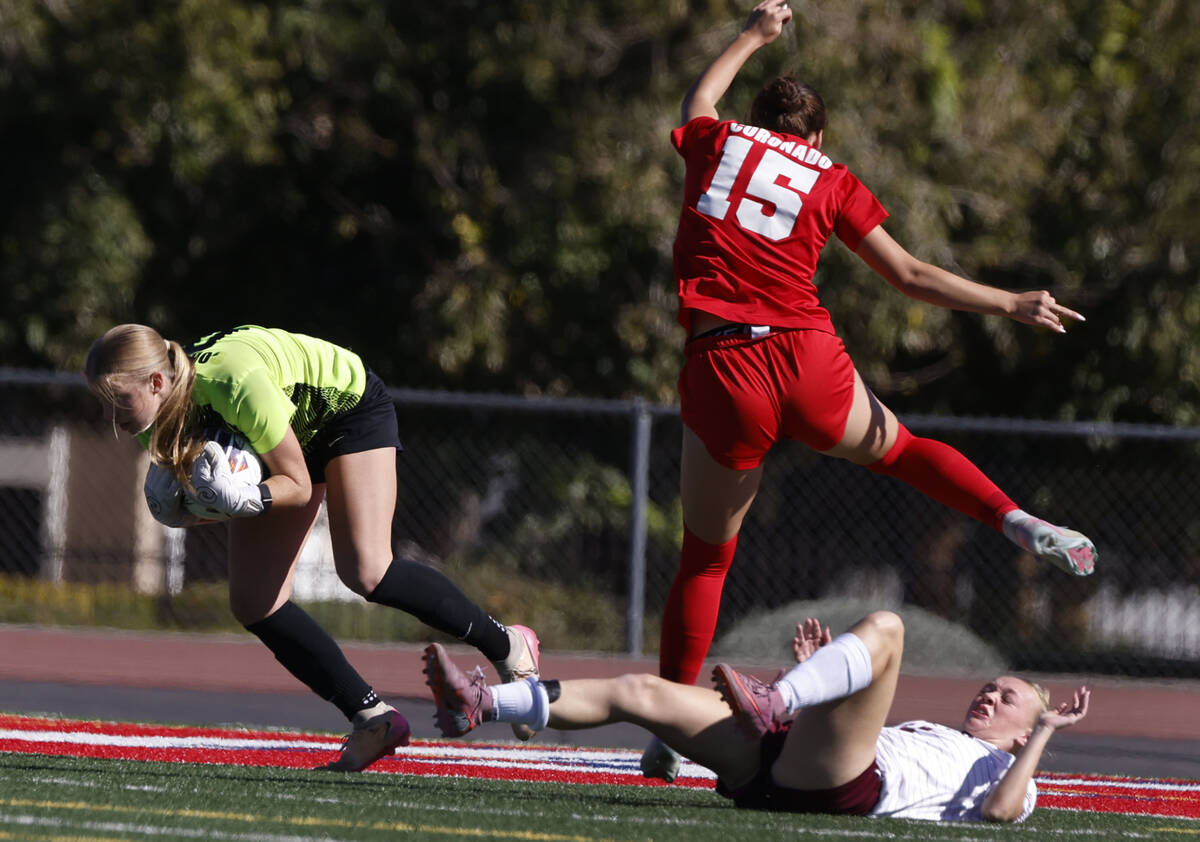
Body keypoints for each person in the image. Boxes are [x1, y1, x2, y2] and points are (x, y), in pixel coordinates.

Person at [647, 0, 1098, 779]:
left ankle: (668, 727)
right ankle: (1012, 516)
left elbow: (697, 101)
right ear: (816, 139)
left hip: (728, 365)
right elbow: (910, 275)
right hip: (808, 357)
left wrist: (753, 35)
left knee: (706, 561)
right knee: (904, 448)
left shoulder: (717, 143)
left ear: (756, 121)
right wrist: (1010, 302)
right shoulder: (831, 175)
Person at [84, 323, 542, 769]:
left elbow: (297, 484)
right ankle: (372, 718)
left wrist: (245, 498)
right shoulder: (154, 416)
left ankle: (508, 644)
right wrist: (190, 511)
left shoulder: (230, 382)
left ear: (158, 381)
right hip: (287, 432)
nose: (112, 420)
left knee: (368, 570)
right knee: (253, 602)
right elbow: (225, 493)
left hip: (344, 409)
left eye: (117, 401)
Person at [423, 611, 1090, 822]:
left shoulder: (1014, 773)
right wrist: (815, 679)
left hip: (846, 787)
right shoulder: (939, 734)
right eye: (990, 687)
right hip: (786, 766)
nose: (989, 696)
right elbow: (832, 741)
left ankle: (786, 697)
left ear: (1028, 728)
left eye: (1007, 698)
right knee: (640, 692)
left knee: (888, 626)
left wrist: (1045, 737)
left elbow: (1002, 813)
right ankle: (482, 704)